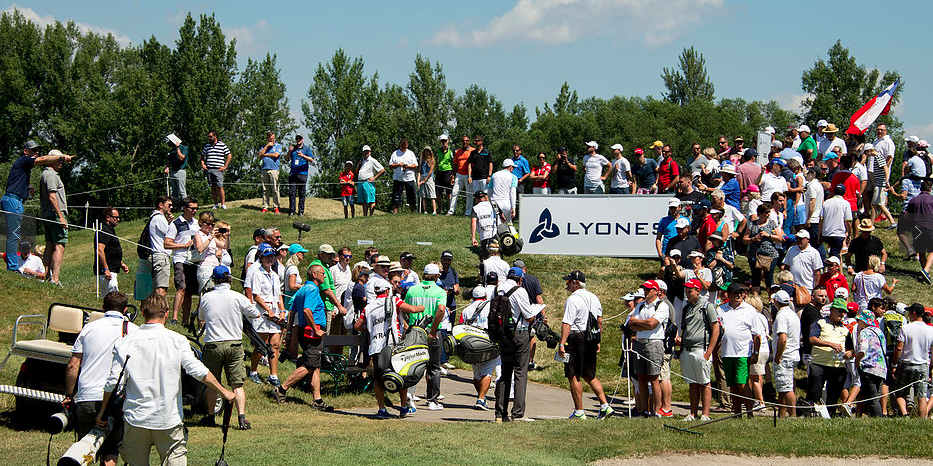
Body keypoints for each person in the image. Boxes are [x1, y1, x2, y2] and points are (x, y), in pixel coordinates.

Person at [96, 295, 234, 466]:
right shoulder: (178, 340)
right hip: (168, 419)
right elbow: (198, 370)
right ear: (167, 313)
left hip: (136, 419)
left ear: (143, 313)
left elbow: (113, 382)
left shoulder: (125, 342)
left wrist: (102, 412)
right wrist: (224, 391)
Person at [64, 291, 136, 466]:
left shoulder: (88, 329)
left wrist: (69, 395)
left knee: (85, 449)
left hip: (87, 397)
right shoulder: (134, 331)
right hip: (116, 399)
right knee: (111, 450)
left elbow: (73, 365)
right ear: (125, 310)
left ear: (103, 309)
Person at [197, 265, 260, 429]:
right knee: (237, 384)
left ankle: (211, 417)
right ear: (229, 279)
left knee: (212, 383)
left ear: (214, 280)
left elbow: (201, 317)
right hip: (233, 343)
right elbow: (255, 313)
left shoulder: (206, 297)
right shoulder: (237, 296)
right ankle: (241, 418)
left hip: (213, 344)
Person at [354, 276, 421, 418]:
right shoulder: (394, 300)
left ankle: (382, 409)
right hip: (393, 345)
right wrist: (421, 308)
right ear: (386, 290)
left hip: (376, 347)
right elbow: (411, 309)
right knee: (401, 375)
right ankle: (403, 407)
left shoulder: (368, 307)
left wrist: (370, 329)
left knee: (378, 378)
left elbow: (357, 326)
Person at [272, 265, 334, 412]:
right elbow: (307, 311)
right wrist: (316, 329)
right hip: (312, 332)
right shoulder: (312, 289)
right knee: (310, 365)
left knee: (315, 366)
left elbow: (292, 312)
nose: (325, 276)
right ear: (314, 275)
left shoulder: (302, 290)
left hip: (304, 331)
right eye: (322, 273)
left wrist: (288, 333)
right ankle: (281, 388)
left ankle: (317, 400)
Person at [3, 141, 72, 271]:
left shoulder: (24, 166)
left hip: (15, 201)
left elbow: (13, 181)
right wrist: (61, 156)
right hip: (13, 201)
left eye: (38, 150)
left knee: (14, 235)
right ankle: (12, 268)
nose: (37, 153)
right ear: (25, 151)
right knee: (13, 235)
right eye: (34, 150)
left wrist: (27, 187)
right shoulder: (24, 160)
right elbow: (42, 160)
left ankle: (12, 266)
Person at [555, 270, 612, 420]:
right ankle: (605, 405)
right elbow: (599, 321)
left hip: (577, 337)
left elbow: (567, 323)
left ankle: (579, 411)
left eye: (568, 282)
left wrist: (562, 343)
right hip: (591, 337)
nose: (566, 284)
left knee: (573, 374)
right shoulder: (594, 297)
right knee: (589, 374)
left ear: (576, 283)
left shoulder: (572, 299)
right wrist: (597, 340)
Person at [403, 263, 447, 410]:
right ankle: (432, 400)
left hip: (414, 330)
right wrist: (433, 330)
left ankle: (409, 396)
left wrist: (407, 323)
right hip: (431, 331)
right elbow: (441, 309)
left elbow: (404, 308)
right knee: (433, 366)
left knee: (413, 364)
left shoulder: (412, 290)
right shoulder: (439, 291)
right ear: (437, 276)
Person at [677, 278, 720, 421]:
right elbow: (685, 329)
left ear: (698, 291)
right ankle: (693, 413)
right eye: (686, 291)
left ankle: (705, 414)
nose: (687, 294)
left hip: (701, 349)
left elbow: (715, 329)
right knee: (692, 383)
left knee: (704, 382)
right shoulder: (687, 307)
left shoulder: (707, 306)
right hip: (687, 350)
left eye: (690, 291)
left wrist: (709, 352)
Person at [717, 283, 762, 417]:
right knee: (733, 385)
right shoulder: (721, 309)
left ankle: (749, 413)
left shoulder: (749, 310)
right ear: (729, 295)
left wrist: (755, 353)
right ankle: (737, 414)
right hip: (726, 352)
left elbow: (757, 334)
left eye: (740, 293)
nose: (738, 295)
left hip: (743, 353)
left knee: (742, 383)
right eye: (735, 293)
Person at [626, 280, 669, 417]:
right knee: (641, 377)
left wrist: (639, 323)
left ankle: (656, 410)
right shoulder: (640, 306)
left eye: (649, 290)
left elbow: (652, 324)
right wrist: (642, 324)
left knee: (654, 378)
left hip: (654, 343)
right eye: (645, 289)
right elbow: (631, 324)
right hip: (640, 342)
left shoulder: (661, 306)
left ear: (656, 291)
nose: (646, 292)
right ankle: (644, 409)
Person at [246, 246, 286, 386]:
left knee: (275, 344)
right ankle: (253, 371)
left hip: (274, 311)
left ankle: (273, 375)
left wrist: (282, 310)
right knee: (261, 345)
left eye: (272, 256)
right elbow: (256, 295)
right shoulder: (257, 274)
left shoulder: (274, 275)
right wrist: (267, 309)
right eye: (267, 256)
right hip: (263, 312)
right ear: (261, 258)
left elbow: (279, 295)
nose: (270, 259)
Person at [806, 298, 853, 416]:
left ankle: (830, 414)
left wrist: (849, 353)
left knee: (834, 395)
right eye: (840, 311)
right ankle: (810, 412)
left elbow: (850, 348)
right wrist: (830, 344)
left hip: (838, 366)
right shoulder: (820, 323)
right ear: (832, 310)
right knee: (814, 391)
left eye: (844, 312)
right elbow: (812, 339)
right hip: (819, 364)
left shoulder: (845, 329)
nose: (842, 314)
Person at [458, 286, 496, 410]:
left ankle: (481, 397)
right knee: (487, 372)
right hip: (487, 343)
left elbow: (460, 327)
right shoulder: (491, 307)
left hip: (471, 346)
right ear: (485, 296)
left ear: (473, 297)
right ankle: (481, 399)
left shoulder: (466, 310)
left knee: (477, 374)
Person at [164, 198, 199, 325]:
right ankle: (175, 318)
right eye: (192, 208)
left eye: (196, 208)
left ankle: (185, 321)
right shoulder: (176, 224)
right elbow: (167, 244)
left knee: (189, 291)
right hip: (180, 259)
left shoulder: (197, 223)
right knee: (181, 288)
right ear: (184, 208)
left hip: (194, 260)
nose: (195, 211)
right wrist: (184, 246)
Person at [39, 152, 70, 285]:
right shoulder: (51, 175)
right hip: (55, 215)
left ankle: (46, 277)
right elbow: (52, 197)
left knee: (50, 245)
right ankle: (55, 279)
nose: (61, 163)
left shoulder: (45, 174)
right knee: (59, 246)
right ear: (51, 160)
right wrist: (61, 217)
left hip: (47, 214)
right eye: (58, 160)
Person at [854, 300, 888, 417]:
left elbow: (862, 350)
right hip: (881, 368)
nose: (858, 323)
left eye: (859, 320)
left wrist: (857, 363)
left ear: (864, 321)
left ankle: (878, 419)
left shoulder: (865, 332)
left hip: (868, 367)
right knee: (875, 394)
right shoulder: (879, 332)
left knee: (872, 398)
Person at [770, 289, 800, 418]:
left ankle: (793, 415)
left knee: (787, 388)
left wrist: (778, 356)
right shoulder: (793, 314)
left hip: (785, 356)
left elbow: (783, 338)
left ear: (776, 301)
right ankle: (781, 415)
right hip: (793, 354)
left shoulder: (781, 316)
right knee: (783, 386)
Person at [94, 207, 128, 294]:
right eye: (116, 217)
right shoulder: (104, 230)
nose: (118, 219)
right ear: (108, 217)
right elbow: (99, 250)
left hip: (112, 270)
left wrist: (120, 263)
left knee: (113, 296)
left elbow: (110, 250)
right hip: (107, 272)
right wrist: (106, 269)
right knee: (112, 297)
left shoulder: (109, 230)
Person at [194, 213, 230, 293]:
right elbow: (200, 249)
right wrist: (211, 237)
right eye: (208, 224)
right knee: (206, 292)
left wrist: (227, 236)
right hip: (205, 267)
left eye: (212, 225)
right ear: (201, 223)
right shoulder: (198, 235)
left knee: (216, 292)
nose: (210, 226)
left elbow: (225, 247)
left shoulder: (210, 237)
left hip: (215, 267)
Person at [906, 180, 933, 283]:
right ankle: (926, 270)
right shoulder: (931, 199)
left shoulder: (913, 200)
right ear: (930, 189)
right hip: (929, 226)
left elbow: (907, 216)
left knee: (921, 252)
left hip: (916, 228)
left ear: (920, 189)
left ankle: (926, 274)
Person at [200, 130, 231, 210]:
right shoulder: (207, 146)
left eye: (210, 136)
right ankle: (215, 204)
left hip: (218, 169)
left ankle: (223, 204)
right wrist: (203, 164)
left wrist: (225, 166)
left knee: (220, 186)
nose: (209, 138)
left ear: (215, 136)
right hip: (209, 169)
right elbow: (202, 156)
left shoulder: (222, 145)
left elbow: (229, 155)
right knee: (212, 187)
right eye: (208, 137)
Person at [286, 134, 314, 216]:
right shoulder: (293, 148)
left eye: (300, 138)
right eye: (297, 138)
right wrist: (289, 151)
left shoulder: (307, 149)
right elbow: (287, 159)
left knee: (302, 193)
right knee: (292, 192)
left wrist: (303, 156)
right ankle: (292, 210)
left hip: (302, 174)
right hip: (293, 173)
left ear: (302, 139)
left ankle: (301, 211)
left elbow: (311, 159)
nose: (298, 140)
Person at [389, 138, 418, 213]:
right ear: (400, 145)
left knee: (411, 195)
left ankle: (412, 212)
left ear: (407, 145)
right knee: (396, 196)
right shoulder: (395, 153)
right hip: (398, 178)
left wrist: (407, 166)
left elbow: (415, 165)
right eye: (403, 146)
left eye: (405, 147)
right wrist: (399, 165)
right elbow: (390, 165)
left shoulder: (411, 153)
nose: (404, 148)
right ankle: (395, 212)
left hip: (409, 178)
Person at [448, 136, 475, 215]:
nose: (465, 142)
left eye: (466, 141)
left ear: (469, 141)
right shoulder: (458, 151)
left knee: (469, 194)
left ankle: (468, 213)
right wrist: (453, 175)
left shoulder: (473, 150)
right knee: (454, 192)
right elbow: (456, 164)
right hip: (459, 175)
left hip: (468, 175)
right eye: (463, 141)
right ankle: (451, 211)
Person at [356, 145, 385, 217]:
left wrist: (374, 178)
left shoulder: (372, 160)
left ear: (370, 152)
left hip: (368, 182)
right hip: (360, 182)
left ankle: (371, 215)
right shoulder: (361, 161)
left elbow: (382, 170)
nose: (366, 153)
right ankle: (365, 216)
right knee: (363, 200)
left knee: (371, 200)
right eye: (364, 151)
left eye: (367, 151)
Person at [259, 131, 282, 213]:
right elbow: (260, 155)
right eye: (270, 139)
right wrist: (267, 146)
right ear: (267, 139)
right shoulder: (264, 146)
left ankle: (276, 207)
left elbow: (276, 155)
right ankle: (265, 206)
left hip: (274, 169)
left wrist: (265, 155)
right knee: (265, 189)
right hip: (264, 169)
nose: (272, 140)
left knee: (275, 189)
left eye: (273, 138)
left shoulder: (278, 146)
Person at [467, 135, 493, 200]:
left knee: (485, 195)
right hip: (475, 178)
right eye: (474, 141)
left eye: (477, 141)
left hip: (484, 177)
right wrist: (469, 176)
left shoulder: (487, 152)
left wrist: (489, 176)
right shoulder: (473, 153)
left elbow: (490, 164)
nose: (475, 142)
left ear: (481, 141)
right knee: (477, 196)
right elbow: (469, 164)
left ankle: (487, 207)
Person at [435, 134, 454, 210]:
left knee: (449, 192)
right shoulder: (439, 151)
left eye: (445, 141)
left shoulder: (451, 150)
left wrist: (453, 175)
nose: (444, 142)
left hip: (448, 171)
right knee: (438, 192)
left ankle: (449, 209)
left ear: (448, 140)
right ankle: (439, 209)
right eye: (442, 141)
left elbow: (454, 163)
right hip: (440, 172)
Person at [417, 147, 437, 215]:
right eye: (425, 151)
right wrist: (418, 180)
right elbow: (419, 171)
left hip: (429, 178)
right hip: (422, 177)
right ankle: (425, 211)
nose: (427, 152)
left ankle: (434, 211)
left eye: (428, 151)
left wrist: (425, 179)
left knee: (432, 195)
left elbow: (430, 171)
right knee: (423, 195)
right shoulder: (422, 161)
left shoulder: (432, 160)